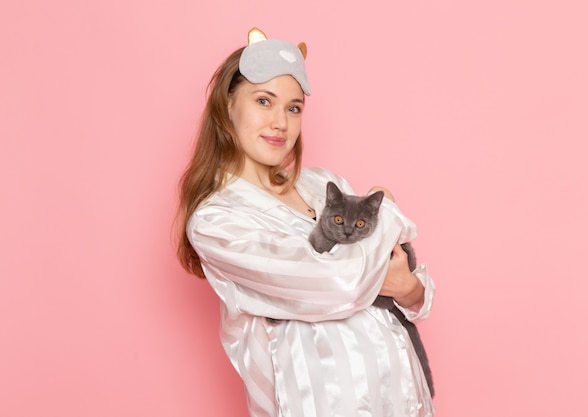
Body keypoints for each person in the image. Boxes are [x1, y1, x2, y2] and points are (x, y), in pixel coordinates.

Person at [176, 27, 436, 417]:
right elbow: (337, 285)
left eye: (294, 107)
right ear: (227, 106)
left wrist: (411, 288)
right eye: (264, 101)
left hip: (404, 399)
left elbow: (411, 288)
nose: (280, 122)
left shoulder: (321, 184)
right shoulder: (217, 222)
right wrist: (390, 210)